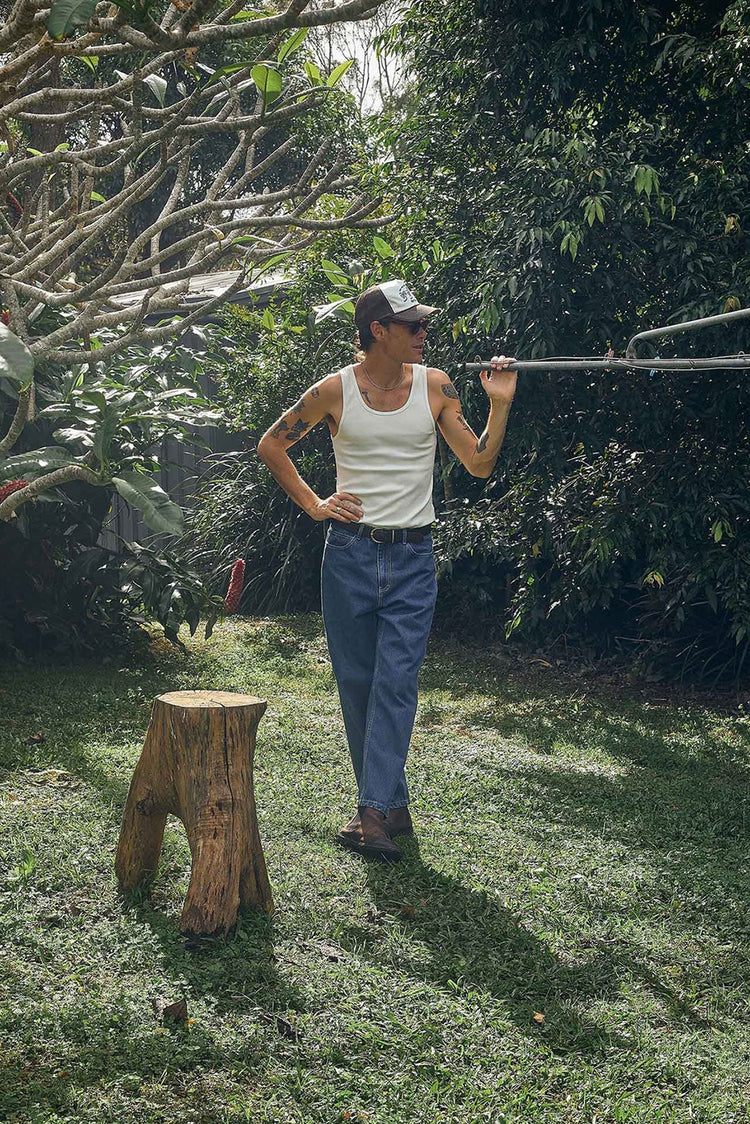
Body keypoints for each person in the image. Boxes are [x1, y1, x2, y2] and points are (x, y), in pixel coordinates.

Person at [257, 280, 516, 862]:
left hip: (412, 559)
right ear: (379, 330)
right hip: (347, 555)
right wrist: (314, 504)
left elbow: (477, 464)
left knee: (395, 683)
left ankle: (369, 814)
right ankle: (390, 805)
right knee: (356, 685)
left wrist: (498, 403)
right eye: (414, 326)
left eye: (424, 325)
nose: (425, 334)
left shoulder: (436, 386)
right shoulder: (333, 392)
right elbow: (272, 445)